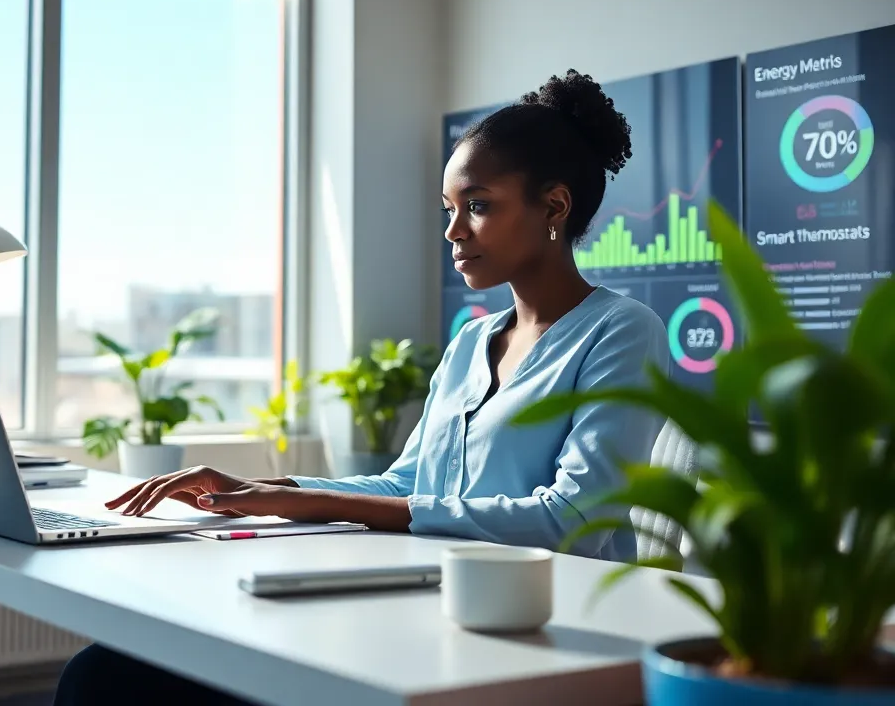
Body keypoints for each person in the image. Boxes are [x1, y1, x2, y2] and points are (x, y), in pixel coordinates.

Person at [52, 69, 671, 705]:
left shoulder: (623, 332)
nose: (454, 231)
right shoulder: (469, 344)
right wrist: (270, 492)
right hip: (422, 602)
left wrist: (327, 506)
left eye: (478, 206)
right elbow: (405, 485)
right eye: (449, 211)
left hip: (536, 635)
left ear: (555, 206)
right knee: (102, 672)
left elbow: (571, 521)